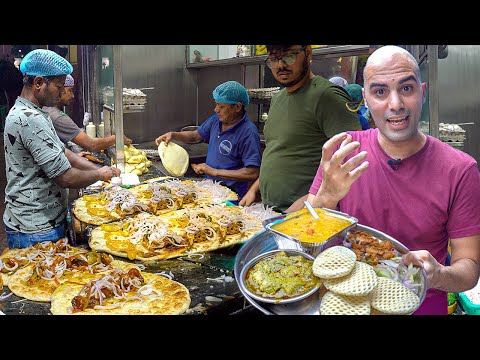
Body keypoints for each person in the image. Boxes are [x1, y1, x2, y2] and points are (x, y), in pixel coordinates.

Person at [301, 45, 480, 314]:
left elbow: (470, 270)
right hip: (346, 303)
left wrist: (439, 275)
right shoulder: (344, 155)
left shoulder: (460, 169)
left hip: (421, 304)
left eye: (406, 88)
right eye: (380, 91)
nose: (395, 104)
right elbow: (308, 245)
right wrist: (326, 197)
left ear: (423, 91)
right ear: (365, 98)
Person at [3, 49, 121, 249]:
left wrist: (101, 172)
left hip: (42, 222)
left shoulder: (36, 113)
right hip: (35, 228)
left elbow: (64, 152)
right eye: (58, 86)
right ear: (39, 83)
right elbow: (64, 177)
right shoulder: (29, 119)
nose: (62, 91)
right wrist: (100, 174)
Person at [239, 45, 362, 212]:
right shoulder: (278, 98)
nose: (280, 65)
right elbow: (277, 151)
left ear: (308, 53)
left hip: (307, 217)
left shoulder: (327, 96)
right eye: (274, 59)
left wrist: (308, 203)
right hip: (272, 212)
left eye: (289, 56)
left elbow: (354, 162)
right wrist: (254, 189)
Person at [155, 80, 262, 199]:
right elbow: (195, 135)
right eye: (216, 104)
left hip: (231, 195)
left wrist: (214, 171)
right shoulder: (217, 120)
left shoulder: (248, 133)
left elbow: (253, 173)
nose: (216, 109)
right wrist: (173, 135)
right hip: (208, 188)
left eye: (221, 106)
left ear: (237, 107)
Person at [42, 74, 132, 153]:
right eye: (70, 90)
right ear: (60, 89)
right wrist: (116, 138)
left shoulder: (47, 110)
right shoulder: (57, 116)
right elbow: (92, 145)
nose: (72, 95)